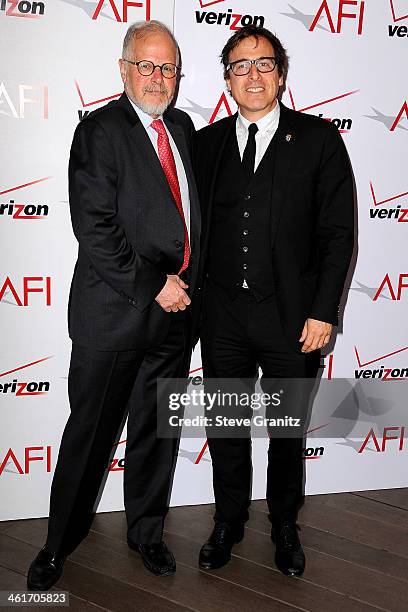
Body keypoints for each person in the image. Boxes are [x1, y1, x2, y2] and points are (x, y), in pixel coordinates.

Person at [27, 20, 200, 590]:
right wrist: (154, 284)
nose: (158, 77)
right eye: (146, 65)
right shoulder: (99, 129)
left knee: (156, 435)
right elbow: (95, 227)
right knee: (90, 436)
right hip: (115, 313)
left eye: (167, 67)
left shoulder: (182, 125)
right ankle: (58, 545)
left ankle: (146, 533)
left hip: (174, 321)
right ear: (124, 69)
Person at [194, 25, 354, 577]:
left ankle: (285, 525)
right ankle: (228, 521)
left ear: (281, 74)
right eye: (240, 66)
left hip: (292, 319)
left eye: (264, 64)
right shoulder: (206, 143)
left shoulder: (319, 140)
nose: (253, 75)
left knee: (287, 429)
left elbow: (338, 234)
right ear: (227, 81)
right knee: (227, 426)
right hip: (223, 317)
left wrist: (323, 310)